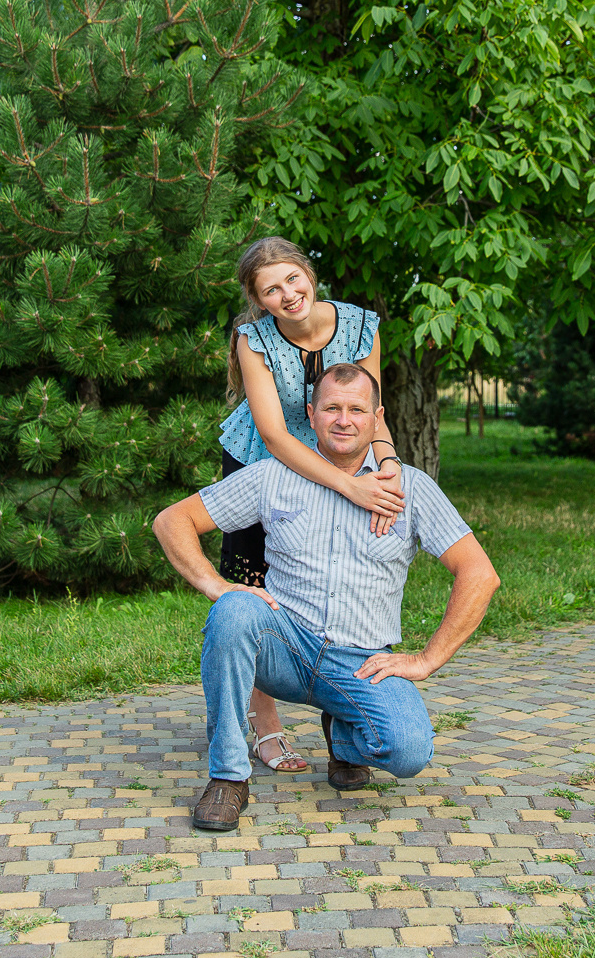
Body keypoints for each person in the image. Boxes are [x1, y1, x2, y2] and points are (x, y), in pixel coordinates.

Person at [157, 362, 502, 832]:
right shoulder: (272, 476)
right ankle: (228, 776)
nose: (344, 420)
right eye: (332, 408)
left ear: (377, 417)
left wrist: (426, 660)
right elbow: (171, 521)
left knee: (408, 750)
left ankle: (343, 736)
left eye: (357, 409)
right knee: (235, 609)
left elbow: (479, 574)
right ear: (311, 413)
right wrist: (217, 586)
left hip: (359, 661)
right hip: (285, 647)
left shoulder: (411, 490)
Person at [217, 237, 408, 775]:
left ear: (309, 273)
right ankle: (267, 726)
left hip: (344, 449)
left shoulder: (360, 325)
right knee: (254, 590)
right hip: (262, 461)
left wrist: (387, 459)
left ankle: (343, 707)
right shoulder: (252, 340)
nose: (287, 294)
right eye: (270, 290)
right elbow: (276, 435)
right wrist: (349, 488)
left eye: (292, 279)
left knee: (343, 568)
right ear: (258, 300)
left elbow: (370, 410)